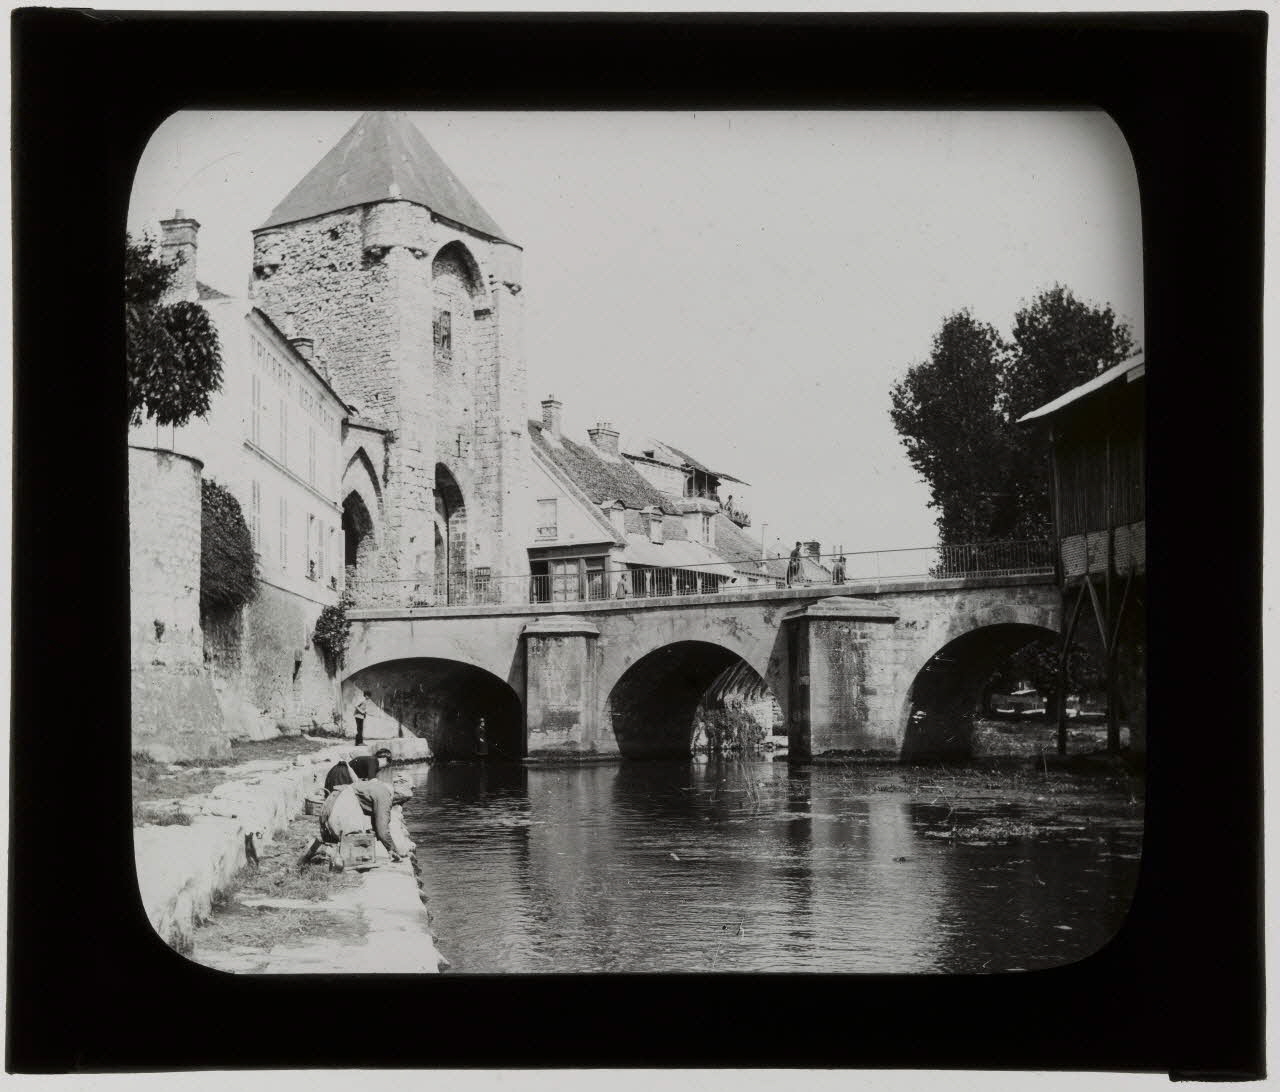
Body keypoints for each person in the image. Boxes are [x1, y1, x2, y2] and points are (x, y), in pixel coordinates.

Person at [319, 768, 414, 862]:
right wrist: (393, 849)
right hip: (340, 806)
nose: (396, 804)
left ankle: (322, 851)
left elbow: (377, 825)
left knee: (344, 844)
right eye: (398, 801)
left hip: (332, 801)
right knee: (352, 846)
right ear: (398, 794)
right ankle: (322, 851)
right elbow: (382, 829)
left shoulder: (379, 786)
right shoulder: (384, 794)